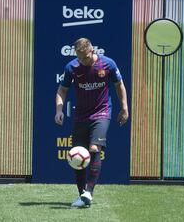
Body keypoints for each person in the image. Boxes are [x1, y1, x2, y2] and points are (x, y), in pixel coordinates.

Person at [55, 38, 129, 208]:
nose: (82, 61)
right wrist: (59, 110)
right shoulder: (72, 67)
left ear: (92, 51)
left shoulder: (108, 64)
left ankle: (89, 190)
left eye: (85, 58)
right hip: (81, 115)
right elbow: (62, 90)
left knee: (94, 148)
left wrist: (124, 107)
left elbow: (119, 85)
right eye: (79, 58)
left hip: (102, 112)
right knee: (77, 153)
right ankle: (82, 195)